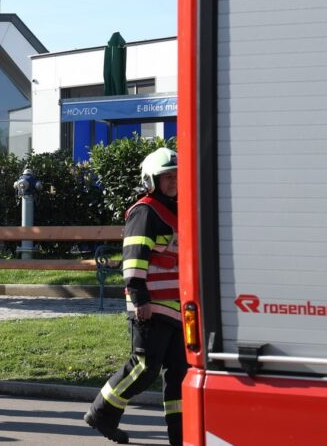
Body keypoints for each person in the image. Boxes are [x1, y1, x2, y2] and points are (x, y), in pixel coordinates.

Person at [84, 147, 185, 446]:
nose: (172, 181)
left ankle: (181, 435)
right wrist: (140, 299)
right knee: (144, 367)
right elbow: (134, 257)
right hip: (152, 304)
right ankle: (101, 413)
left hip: (179, 307)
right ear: (151, 180)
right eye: (166, 176)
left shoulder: (179, 208)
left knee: (180, 374)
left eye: (176, 175)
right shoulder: (145, 211)